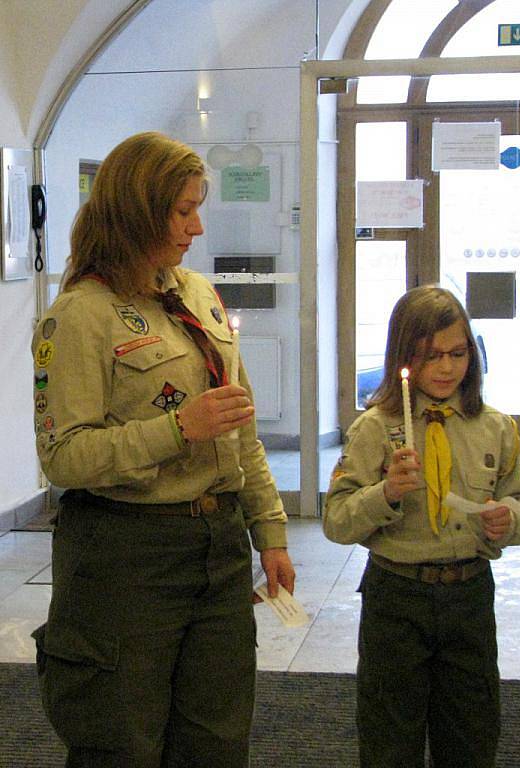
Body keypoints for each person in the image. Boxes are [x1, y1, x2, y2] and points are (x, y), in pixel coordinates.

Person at [31, 131, 295, 768]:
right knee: (121, 742)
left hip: (218, 546)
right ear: (137, 210)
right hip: (126, 556)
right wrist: (180, 429)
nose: (197, 227)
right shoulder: (79, 315)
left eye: (198, 207)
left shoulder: (196, 294)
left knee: (216, 740)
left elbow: (240, 425)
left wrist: (270, 529)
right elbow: (63, 457)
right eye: (182, 211)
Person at [323, 286, 520, 768]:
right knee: (389, 735)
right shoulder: (376, 429)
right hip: (397, 597)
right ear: (404, 357)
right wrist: (386, 493)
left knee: (471, 731)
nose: (445, 368)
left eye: (458, 354)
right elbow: (336, 521)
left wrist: (507, 521)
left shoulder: (496, 428)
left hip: (468, 595)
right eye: (429, 356)